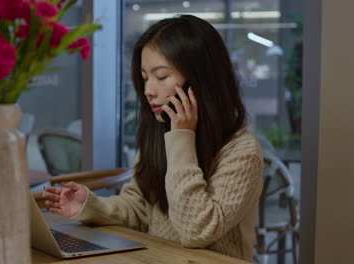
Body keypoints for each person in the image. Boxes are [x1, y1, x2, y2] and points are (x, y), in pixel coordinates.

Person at [42, 15, 263, 262]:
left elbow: (196, 232)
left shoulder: (242, 152)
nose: (148, 90)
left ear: (200, 80)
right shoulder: (160, 135)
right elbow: (138, 209)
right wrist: (91, 206)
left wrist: (181, 138)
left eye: (161, 76)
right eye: (145, 77)